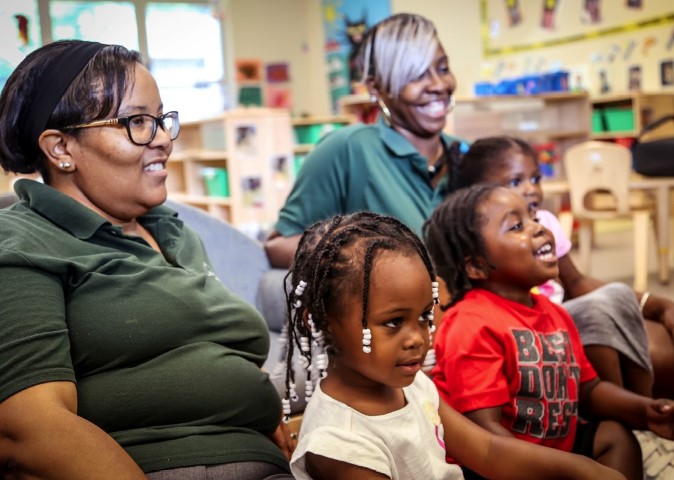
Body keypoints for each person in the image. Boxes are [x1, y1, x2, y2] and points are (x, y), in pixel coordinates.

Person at [0, 40, 293, 479]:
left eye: (160, 120)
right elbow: (30, 429)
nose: (162, 140)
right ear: (61, 148)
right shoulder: (23, 243)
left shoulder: (175, 232)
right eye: (136, 122)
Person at [281, 210, 627, 480]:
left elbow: (489, 452)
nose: (419, 338)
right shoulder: (340, 443)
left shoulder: (413, 385)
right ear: (321, 319)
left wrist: (581, 468)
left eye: (424, 318)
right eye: (393, 322)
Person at [423, 184, 674, 480]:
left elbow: (588, 389)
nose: (538, 229)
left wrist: (646, 411)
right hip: (499, 463)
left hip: (555, 447)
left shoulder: (553, 312)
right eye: (517, 226)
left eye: (534, 219)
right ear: (477, 266)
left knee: (614, 436)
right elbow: (485, 433)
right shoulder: (470, 323)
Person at [451, 136, 674, 399]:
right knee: (596, 311)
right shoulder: (482, 241)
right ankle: (621, 415)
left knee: (619, 299)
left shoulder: (544, 222)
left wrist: (658, 305)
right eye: (515, 182)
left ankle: (642, 408)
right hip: (529, 331)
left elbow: (576, 282)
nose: (531, 189)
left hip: (557, 317)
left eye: (535, 179)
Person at [264, 13, 466, 268]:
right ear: (375, 87)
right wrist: (361, 261)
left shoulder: (467, 154)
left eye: (443, 68)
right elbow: (278, 245)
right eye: (416, 75)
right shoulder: (347, 150)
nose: (439, 85)